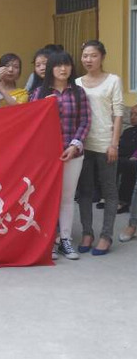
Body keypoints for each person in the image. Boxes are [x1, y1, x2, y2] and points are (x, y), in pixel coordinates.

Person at [29, 51, 90, 260]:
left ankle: (65, 239)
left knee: (67, 198)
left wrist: (75, 145)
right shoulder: (39, 93)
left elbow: (85, 121)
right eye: (58, 65)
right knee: (48, 197)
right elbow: (31, 122)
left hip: (72, 153)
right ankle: (49, 241)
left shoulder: (79, 92)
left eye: (67, 65)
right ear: (50, 69)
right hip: (46, 156)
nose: (63, 69)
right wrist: (43, 107)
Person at [75, 40, 124, 256]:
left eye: (93, 55)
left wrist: (114, 143)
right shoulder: (77, 82)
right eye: (85, 56)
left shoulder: (113, 80)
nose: (88, 60)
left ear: (102, 57)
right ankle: (87, 233)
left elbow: (118, 114)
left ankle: (106, 236)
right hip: (83, 144)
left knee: (109, 191)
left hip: (106, 145)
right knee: (84, 191)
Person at [116, 105, 137, 221]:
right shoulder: (128, 131)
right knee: (106, 160)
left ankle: (123, 201)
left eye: (136, 114)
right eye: (131, 114)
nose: (132, 117)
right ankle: (104, 196)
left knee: (129, 165)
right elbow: (119, 145)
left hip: (132, 160)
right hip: (122, 157)